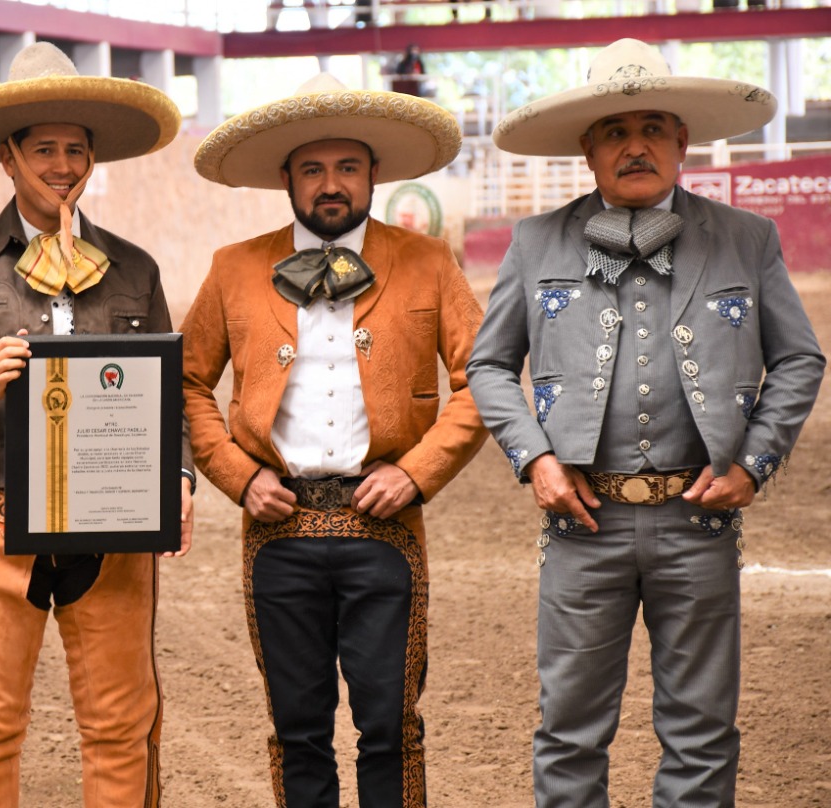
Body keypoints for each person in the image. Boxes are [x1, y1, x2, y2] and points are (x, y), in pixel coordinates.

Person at [467, 38, 825, 808]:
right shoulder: (535, 243)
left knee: (702, 734)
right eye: (616, 130)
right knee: (567, 733)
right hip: (580, 526)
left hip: (698, 524)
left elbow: (799, 360)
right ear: (588, 149)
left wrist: (754, 461)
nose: (637, 145)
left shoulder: (746, 237)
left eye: (654, 127)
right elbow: (488, 366)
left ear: (682, 143)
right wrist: (535, 458)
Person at [0, 42, 194, 807]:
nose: (62, 165)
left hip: (113, 526)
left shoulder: (134, 269)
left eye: (75, 149)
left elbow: (172, 396)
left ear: (92, 158)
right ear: (8, 157)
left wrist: (182, 477)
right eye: (43, 149)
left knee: (124, 725)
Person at [182, 73, 488, 808]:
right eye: (313, 169)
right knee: (296, 727)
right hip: (276, 528)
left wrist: (417, 473)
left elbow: (485, 381)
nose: (331, 185)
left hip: (385, 525)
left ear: (373, 173)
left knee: (389, 725)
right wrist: (233, 473)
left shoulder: (426, 260)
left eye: (347, 167)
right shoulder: (233, 267)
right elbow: (186, 382)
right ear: (285, 177)